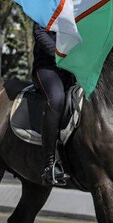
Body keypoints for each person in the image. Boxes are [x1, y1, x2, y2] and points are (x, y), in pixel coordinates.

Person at [32, 25, 75, 186]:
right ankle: (49, 164)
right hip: (48, 67)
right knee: (56, 99)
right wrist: (60, 54)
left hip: (74, 67)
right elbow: (40, 33)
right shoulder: (47, 2)